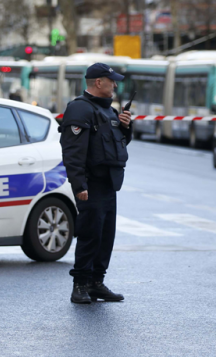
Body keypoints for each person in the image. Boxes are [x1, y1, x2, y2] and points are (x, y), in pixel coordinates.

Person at [59, 62, 132, 304]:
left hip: (109, 184)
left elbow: (116, 145)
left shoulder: (109, 111)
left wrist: (126, 128)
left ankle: (96, 282)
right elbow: (73, 151)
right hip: (91, 184)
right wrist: (79, 185)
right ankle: (80, 284)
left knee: (105, 236)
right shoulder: (80, 109)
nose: (115, 85)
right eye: (112, 81)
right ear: (98, 82)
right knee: (90, 235)